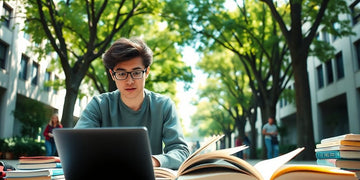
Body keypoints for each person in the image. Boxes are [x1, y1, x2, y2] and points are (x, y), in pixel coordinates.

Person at [74, 37, 190, 170]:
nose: (129, 81)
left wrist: (151, 161)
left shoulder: (163, 106)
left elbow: (181, 152)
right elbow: (77, 146)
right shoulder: (99, 105)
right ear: (112, 74)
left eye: (136, 72)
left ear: (146, 72)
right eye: (122, 73)